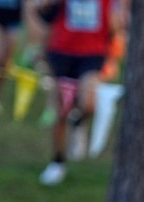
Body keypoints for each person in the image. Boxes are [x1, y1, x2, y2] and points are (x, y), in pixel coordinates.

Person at [33, 0, 126, 186]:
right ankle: (57, 161)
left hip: (93, 54)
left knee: (89, 102)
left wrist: (114, 56)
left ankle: (78, 121)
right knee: (59, 110)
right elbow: (42, 13)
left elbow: (116, 25)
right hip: (61, 52)